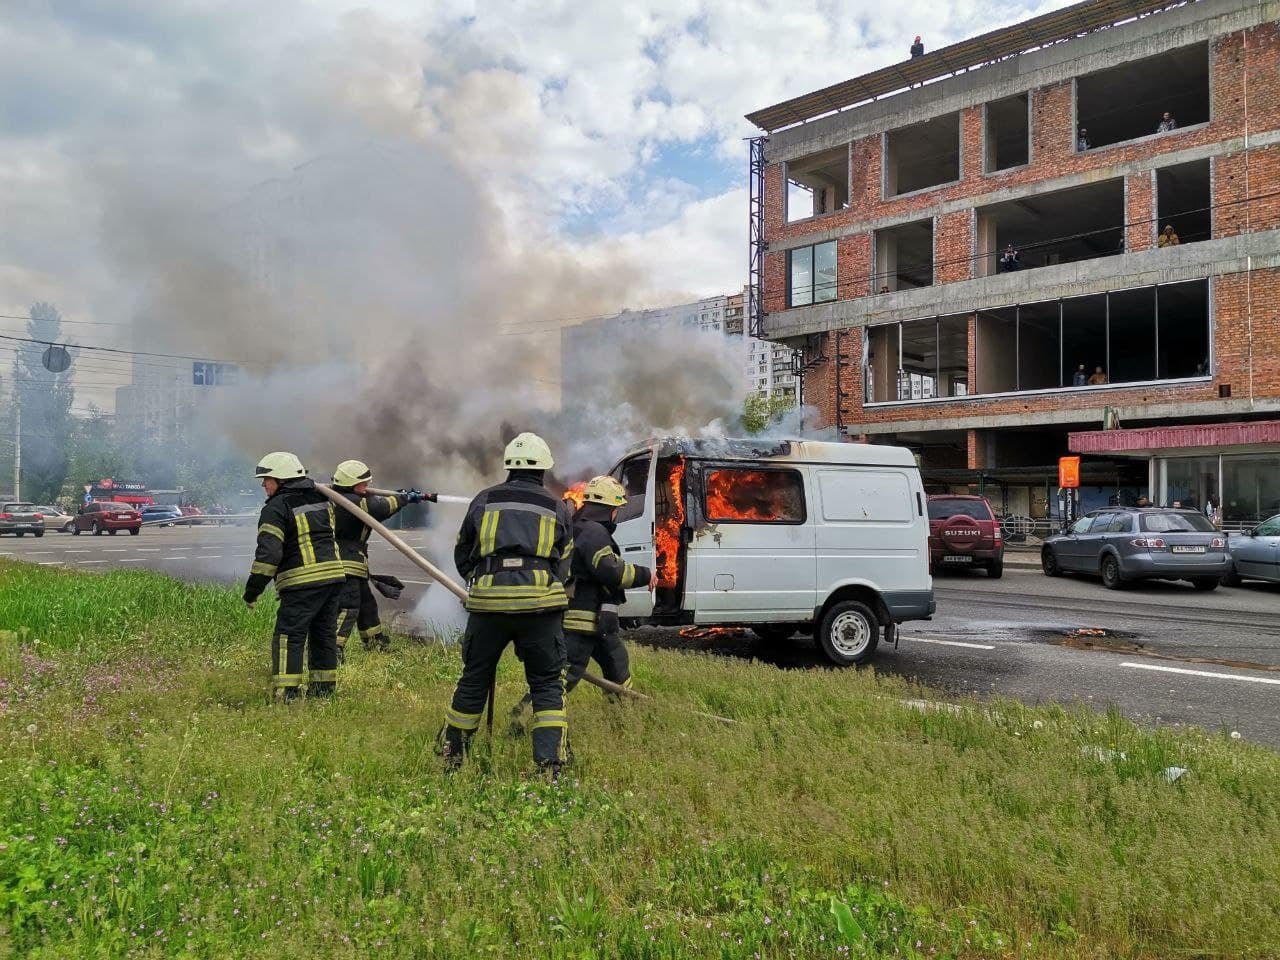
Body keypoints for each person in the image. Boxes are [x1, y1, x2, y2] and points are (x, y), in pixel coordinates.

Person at [441, 432, 573, 775]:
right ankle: (549, 765)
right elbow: (564, 563)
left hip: (488, 607)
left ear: (508, 467)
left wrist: (482, 578)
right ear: (543, 469)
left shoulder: (483, 500)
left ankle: (453, 755)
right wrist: (542, 583)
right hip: (540, 609)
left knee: (474, 678)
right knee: (546, 684)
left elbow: (462, 550)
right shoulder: (557, 506)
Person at [243, 452, 346, 701]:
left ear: (280, 479)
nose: (263, 484)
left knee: (289, 635)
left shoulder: (276, 508)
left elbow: (268, 555)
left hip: (302, 582)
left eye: (266, 479)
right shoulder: (322, 499)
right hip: (333, 578)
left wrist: (252, 590)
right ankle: (323, 693)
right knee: (323, 636)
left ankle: (286, 693)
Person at [330, 459, 433, 661]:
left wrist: (399, 495)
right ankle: (332, 649)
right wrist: (404, 499)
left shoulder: (338, 497)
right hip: (344, 561)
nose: (367, 486)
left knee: (367, 604)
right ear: (352, 484)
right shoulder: (353, 502)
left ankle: (375, 643)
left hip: (350, 560)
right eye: (364, 483)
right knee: (348, 606)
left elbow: (376, 502)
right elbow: (381, 508)